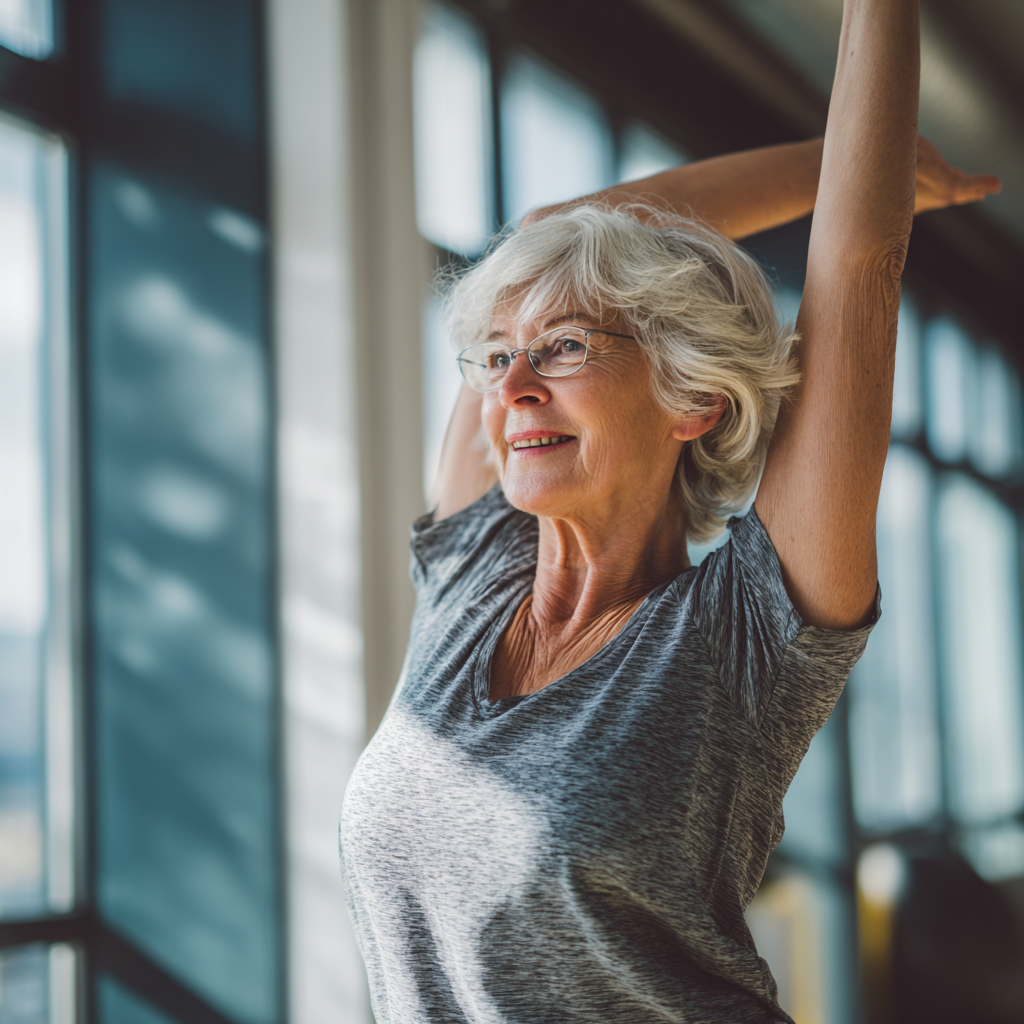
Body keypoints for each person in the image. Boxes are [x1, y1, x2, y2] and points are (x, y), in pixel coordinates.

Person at [340, 1, 1000, 1020]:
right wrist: (827, 162)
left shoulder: (745, 627)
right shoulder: (473, 571)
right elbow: (551, 231)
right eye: (496, 355)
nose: (512, 387)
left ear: (692, 401)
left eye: (565, 347)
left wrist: (863, 167)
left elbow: (857, 262)